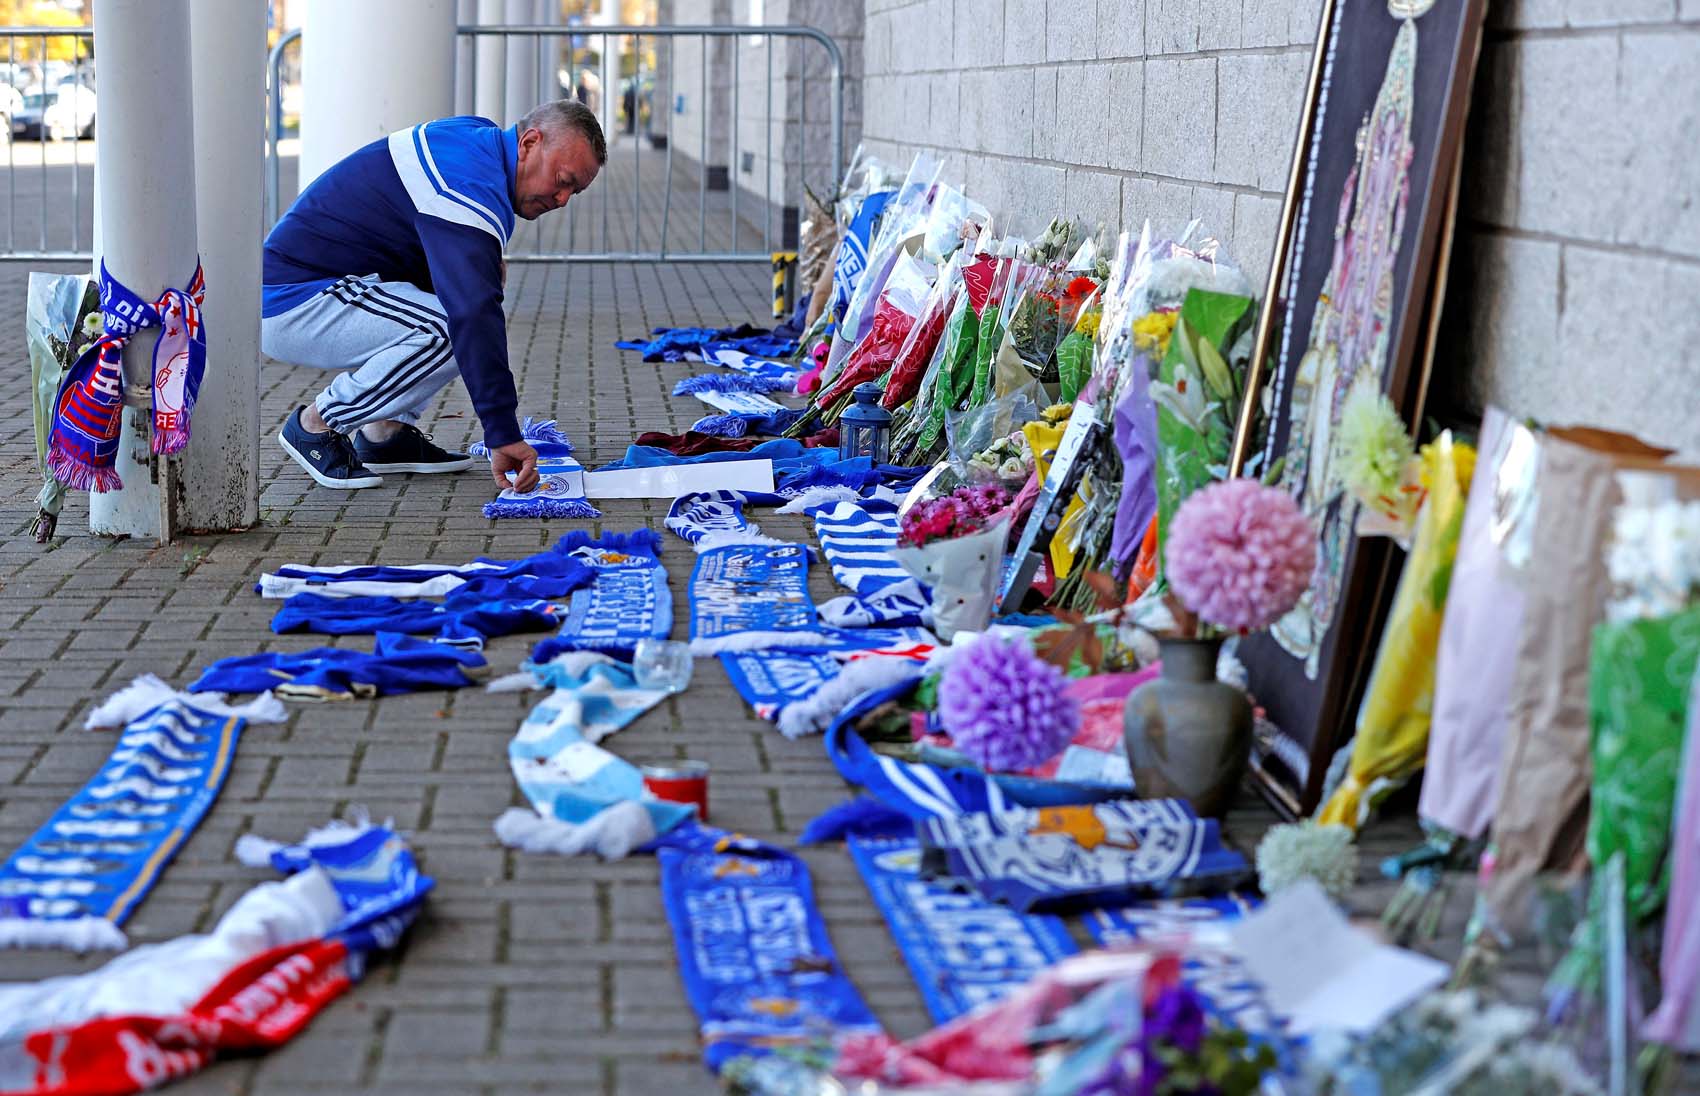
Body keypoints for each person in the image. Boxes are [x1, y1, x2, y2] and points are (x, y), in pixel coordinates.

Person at [261, 100, 606, 491]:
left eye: (573, 192)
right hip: (290, 300)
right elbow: (474, 315)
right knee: (449, 327)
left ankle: (386, 435)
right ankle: (316, 424)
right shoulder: (469, 183)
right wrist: (502, 432)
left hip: (323, 285)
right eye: (563, 179)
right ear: (529, 143)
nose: (562, 199)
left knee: (472, 281)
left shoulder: (479, 139)